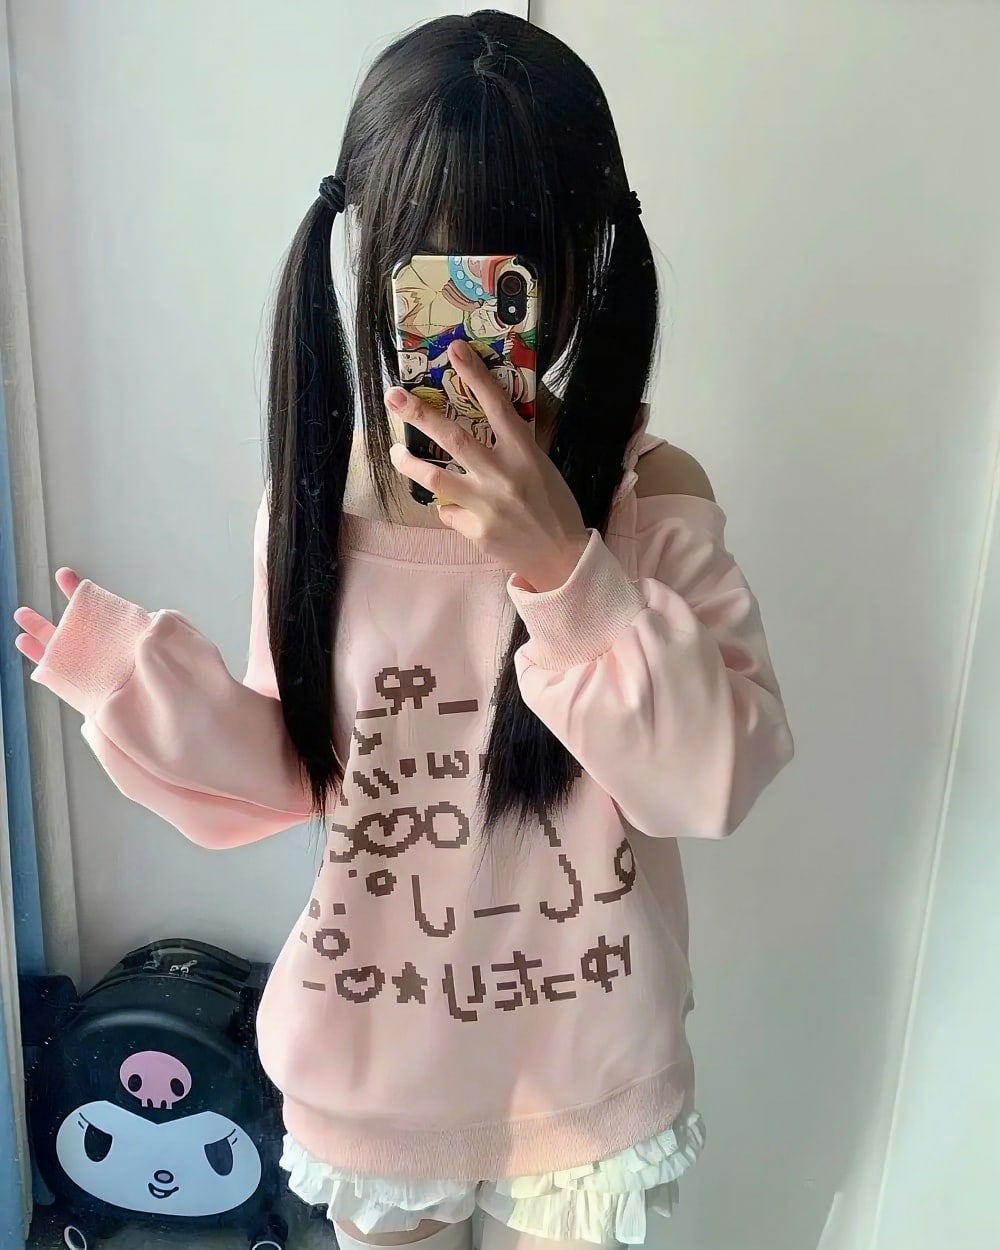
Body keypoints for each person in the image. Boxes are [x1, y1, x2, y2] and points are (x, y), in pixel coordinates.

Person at [13, 11, 794, 1250]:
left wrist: (564, 567)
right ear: (371, 257)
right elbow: (291, 768)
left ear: (587, 263)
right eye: (435, 275)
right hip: (374, 1050)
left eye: (509, 277)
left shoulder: (650, 494)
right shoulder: (319, 507)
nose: (472, 314)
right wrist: (133, 683)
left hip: (586, 1055)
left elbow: (714, 773)